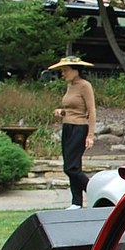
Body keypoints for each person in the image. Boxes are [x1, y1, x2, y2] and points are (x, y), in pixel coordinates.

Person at [49, 55, 96, 210]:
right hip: (67, 127)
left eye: (65, 70)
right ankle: (76, 202)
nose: (63, 74)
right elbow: (72, 108)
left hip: (79, 128)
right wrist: (62, 112)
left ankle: (95, 191)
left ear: (76, 70)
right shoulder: (70, 86)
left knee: (71, 168)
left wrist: (90, 135)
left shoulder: (85, 86)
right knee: (73, 165)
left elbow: (91, 110)